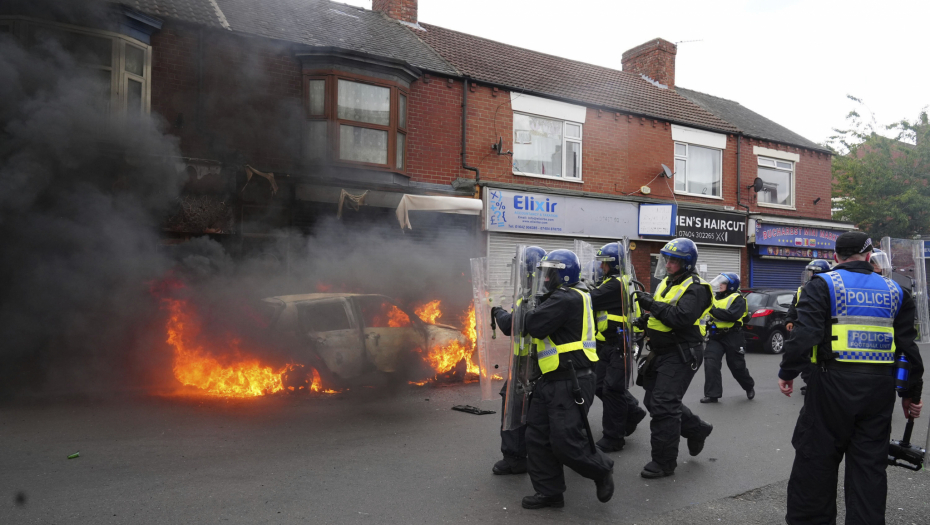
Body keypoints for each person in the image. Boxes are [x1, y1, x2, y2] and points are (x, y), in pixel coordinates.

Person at [778, 231, 924, 525]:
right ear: (869, 256)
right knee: (869, 470)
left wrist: (788, 372)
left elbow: (804, 335)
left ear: (836, 257)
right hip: (878, 390)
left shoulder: (822, 285)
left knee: (815, 464)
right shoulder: (896, 291)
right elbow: (908, 349)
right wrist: (911, 394)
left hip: (830, 385)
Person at [520, 249, 615, 509]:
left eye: (549, 274)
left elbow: (535, 325)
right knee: (537, 438)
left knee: (565, 441)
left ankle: (601, 468)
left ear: (563, 275)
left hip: (570, 380)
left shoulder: (566, 298)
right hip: (551, 378)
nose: (545, 279)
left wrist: (520, 312)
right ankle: (549, 492)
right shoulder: (564, 296)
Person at [634, 238, 714, 479]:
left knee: (664, 404)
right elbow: (661, 313)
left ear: (687, 264)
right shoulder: (667, 283)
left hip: (682, 351)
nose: (667, 264)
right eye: (666, 260)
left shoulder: (697, 288)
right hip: (662, 350)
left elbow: (680, 318)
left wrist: (651, 305)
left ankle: (664, 462)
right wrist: (643, 321)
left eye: (673, 261)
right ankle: (696, 429)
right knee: (653, 400)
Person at [490, 246, 546, 476]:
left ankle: (515, 459)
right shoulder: (539, 294)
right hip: (537, 363)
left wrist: (497, 311)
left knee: (513, 409)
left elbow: (511, 325)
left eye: (522, 269)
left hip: (529, 365)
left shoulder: (535, 297)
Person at [589, 242, 648, 452]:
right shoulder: (612, 282)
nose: (601, 267)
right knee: (599, 385)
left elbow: (590, 299)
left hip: (621, 343)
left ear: (614, 264)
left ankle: (614, 438)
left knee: (612, 389)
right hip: (608, 342)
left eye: (604, 263)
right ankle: (632, 410)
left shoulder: (616, 284)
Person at [701, 272, 755, 403]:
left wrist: (711, 310)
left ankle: (748, 386)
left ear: (731, 285)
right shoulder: (714, 298)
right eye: (720, 282)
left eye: (723, 283)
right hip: (716, 336)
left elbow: (731, 315)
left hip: (733, 335)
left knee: (737, 366)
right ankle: (712, 394)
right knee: (711, 362)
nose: (720, 285)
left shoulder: (738, 299)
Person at [785, 259, 832, 396]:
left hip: (819, 329)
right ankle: (809, 383)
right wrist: (789, 320)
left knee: (819, 359)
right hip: (803, 327)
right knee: (806, 359)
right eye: (808, 273)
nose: (809, 276)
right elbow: (793, 307)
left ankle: (817, 384)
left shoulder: (828, 290)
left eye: (812, 273)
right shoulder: (801, 290)